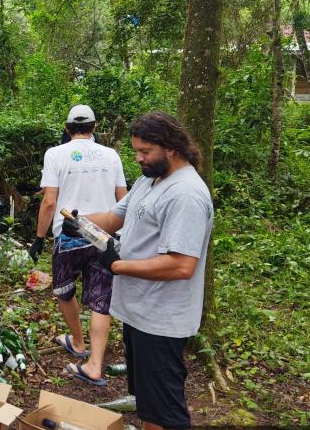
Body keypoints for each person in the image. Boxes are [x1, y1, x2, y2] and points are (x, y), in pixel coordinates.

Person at [63, 111, 213, 430]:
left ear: (170, 147)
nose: (139, 159)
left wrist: (118, 264)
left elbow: (182, 264)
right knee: (149, 405)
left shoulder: (185, 194)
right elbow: (115, 218)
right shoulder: (150, 180)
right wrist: (79, 222)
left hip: (161, 320)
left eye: (145, 152)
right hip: (139, 313)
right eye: (136, 152)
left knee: (166, 412)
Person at [30, 104, 127, 387]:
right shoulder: (111, 155)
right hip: (104, 235)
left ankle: (78, 341)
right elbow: (124, 198)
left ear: (67, 127)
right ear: (94, 127)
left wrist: (38, 238)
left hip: (70, 234)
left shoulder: (55, 154)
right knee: (100, 299)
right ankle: (95, 364)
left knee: (63, 289)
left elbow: (49, 201)